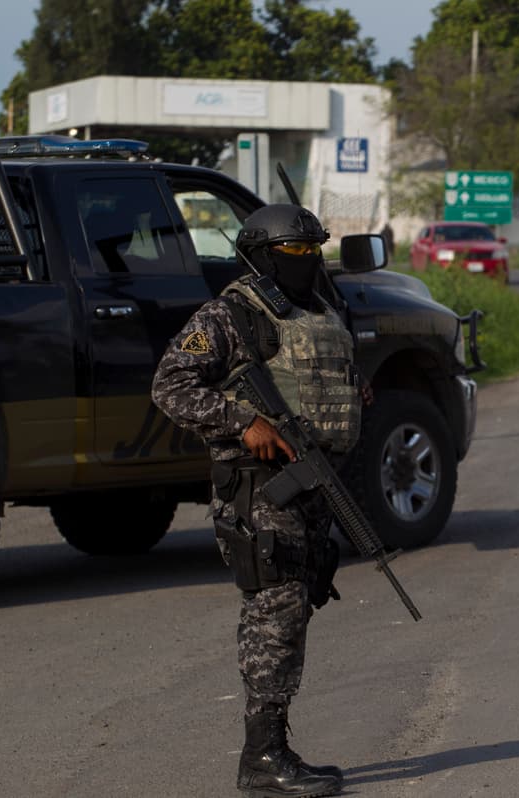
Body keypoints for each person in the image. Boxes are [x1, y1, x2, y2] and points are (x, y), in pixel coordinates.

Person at [152, 204, 367, 798]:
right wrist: (241, 420)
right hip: (259, 485)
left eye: (313, 252)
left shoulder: (318, 309)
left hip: (314, 481)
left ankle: (275, 748)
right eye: (295, 254)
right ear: (262, 255)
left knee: (295, 606)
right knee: (274, 613)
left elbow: (324, 374)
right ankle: (262, 758)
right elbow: (170, 385)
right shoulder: (231, 314)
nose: (308, 263)